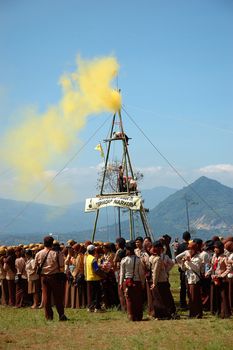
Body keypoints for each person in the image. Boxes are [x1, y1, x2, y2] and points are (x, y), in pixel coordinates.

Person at [35, 236, 68, 321]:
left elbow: (35, 266)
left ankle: (48, 316)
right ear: (52, 243)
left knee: (46, 297)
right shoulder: (57, 253)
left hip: (43, 277)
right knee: (58, 297)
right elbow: (61, 266)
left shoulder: (39, 253)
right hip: (55, 276)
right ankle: (61, 315)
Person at [119, 241, 145, 321]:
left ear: (127, 250)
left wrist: (120, 283)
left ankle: (131, 316)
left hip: (126, 281)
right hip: (137, 281)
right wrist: (143, 283)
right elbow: (141, 273)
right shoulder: (138, 260)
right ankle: (139, 316)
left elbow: (122, 273)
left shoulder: (124, 260)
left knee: (129, 299)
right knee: (137, 299)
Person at [177, 242, 203, 318]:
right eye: (189, 249)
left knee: (195, 297)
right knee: (190, 296)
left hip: (195, 279)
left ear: (195, 250)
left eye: (191, 249)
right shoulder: (188, 256)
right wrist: (182, 262)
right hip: (188, 278)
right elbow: (183, 268)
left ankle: (197, 314)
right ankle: (192, 313)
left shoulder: (198, 258)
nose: (190, 250)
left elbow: (196, 268)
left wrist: (189, 261)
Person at [149, 241, 174, 320]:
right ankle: (164, 314)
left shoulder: (151, 257)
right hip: (161, 280)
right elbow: (156, 271)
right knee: (163, 298)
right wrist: (154, 283)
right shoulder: (158, 258)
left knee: (158, 298)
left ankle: (160, 314)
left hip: (157, 280)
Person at [208, 240, 231, 318]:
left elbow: (229, 268)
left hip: (222, 279)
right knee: (214, 295)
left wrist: (222, 275)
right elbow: (212, 267)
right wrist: (209, 273)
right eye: (214, 248)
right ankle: (215, 311)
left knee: (223, 296)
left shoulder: (224, 257)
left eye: (217, 248)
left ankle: (224, 312)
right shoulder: (214, 256)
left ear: (220, 248)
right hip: (214, 278)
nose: (215, 249)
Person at [85, 244, 106, 312]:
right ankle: (97, 308)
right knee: (97, 294)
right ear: (94, 250)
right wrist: (103, 275)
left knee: (91, 294)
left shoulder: (87, 258)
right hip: (95, 278)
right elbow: (96, 269)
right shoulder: (93, 259)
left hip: (88, 278)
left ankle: (90, 307)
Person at [176, 231, 191, 309]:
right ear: (189, 238)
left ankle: (182, 303)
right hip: (189, 269)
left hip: (182, 269)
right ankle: (190, 302)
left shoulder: (180, 246)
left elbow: (177, 256)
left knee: (182, 287)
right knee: (189, 286)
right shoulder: (190, 246)